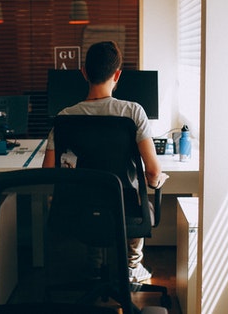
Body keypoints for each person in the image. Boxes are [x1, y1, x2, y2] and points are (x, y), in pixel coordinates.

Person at [42, 40, 169, 283]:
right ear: (117, 74)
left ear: (84, 73)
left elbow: (49, 173)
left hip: (78, 210)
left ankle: (94, 264)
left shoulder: (64, 118)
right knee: (132, 195)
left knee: (89, 197)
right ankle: (132, 265)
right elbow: (153, 172)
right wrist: (155, 180)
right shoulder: (133, 112)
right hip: (123, 210)